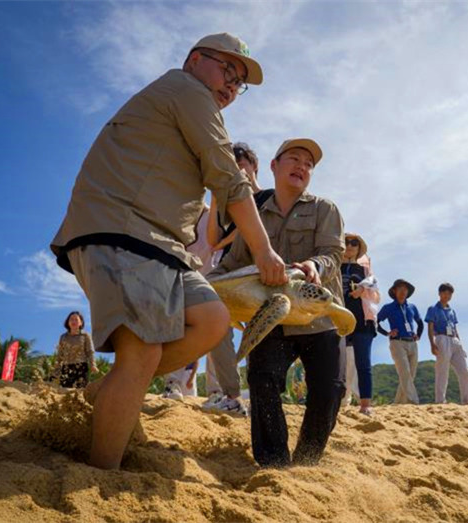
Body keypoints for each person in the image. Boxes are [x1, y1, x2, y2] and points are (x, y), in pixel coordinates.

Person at [49, 33, 287, 470]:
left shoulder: (188, 103)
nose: (231, 85)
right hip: (123, 228)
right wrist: (265, 251)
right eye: (227, 70)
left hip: (161, 245)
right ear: (195, 60)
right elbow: (228, 179)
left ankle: (105, 394)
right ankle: (102, 477)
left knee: (211, 320)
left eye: (239, 83)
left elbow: (215, 206)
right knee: (142, 353)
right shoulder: (187, 89)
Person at [210, 138, 345, 467]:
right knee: (262, 380)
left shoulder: (325, 209)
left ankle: (307, 461)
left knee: (329, 391)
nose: (302, 167)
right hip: (272, 316)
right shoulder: (254, 216)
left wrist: (314, 266)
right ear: (273, 165)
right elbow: (231, 264)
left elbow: (332, 255)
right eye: (295, 159)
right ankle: (274, 464)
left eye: (309, 164)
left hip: (318, 315)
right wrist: (201, 285)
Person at [198, 142, 266, 416]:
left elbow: (252, 230)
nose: (236, 170)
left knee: (259, 335)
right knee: (215, 321)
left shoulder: (269, 198)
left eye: (241, 165)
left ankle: (260, 394)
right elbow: (213, 240)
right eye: (231, 167)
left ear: (254, 166)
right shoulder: (229, 204)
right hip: (228, 269)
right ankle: (232, 395)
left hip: (258, 269)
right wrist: (217, 195)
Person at [339, 233, 379, 415]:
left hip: (363, 321)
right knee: (335, 364)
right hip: (338, 320)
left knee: (363, 363)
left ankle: (365, 404)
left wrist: (362, 288)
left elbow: (375, 288)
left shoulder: (365, 271)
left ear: (359, 248)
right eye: (346, 242)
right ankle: (336, 402)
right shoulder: (334, 267)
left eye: (354, 243)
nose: (350, 245)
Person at [426, 283, 468, 405]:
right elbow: (430, 327)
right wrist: (432, 344)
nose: (447, 295)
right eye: (444, 293)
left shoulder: (452, 311)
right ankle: (440, 400)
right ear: (439, 293)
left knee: (464, 370)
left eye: (449, 293)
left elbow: (455, 328)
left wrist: (460, 343)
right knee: (442, 371)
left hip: (454, 340)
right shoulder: (433, 308)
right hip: (441, 338)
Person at [377, 279, 423, 404]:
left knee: (410, 375)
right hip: (397, 342)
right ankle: (414, 401)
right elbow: (375, 322)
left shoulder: (412, 307)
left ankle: (398, 403)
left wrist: (418, 335)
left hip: (412, 342)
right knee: (404, 372)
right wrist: (387, 333)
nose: (403, 291)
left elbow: (420, 323)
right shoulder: (388, 308)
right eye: (400, 289)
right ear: (394, 291)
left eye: (405, 289)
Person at [53, 311, 98, 388]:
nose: (73, 321)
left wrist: (93, 365)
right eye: (71, 319)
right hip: (66, 367)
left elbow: (90, 351)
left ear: (81, 323)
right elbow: (60, 354)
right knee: (65, 391)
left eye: (76, 319)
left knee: (80, 391)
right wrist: (56, 367)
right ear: (68, 322)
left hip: (81, 367)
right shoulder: (63, 337)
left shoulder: (85, 336)